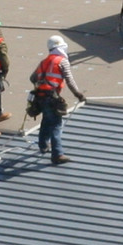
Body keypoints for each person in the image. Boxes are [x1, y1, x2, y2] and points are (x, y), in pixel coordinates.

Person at [28, 35, 88, 164]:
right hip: (52, 97)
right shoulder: (62, 61)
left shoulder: (44, 62)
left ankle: (43, 145)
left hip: (40, 97)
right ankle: (57, 154)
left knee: (46, 120)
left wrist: (42, 85)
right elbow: (69, 80)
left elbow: (33, 78)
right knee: (56, 124)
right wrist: (79, 94)